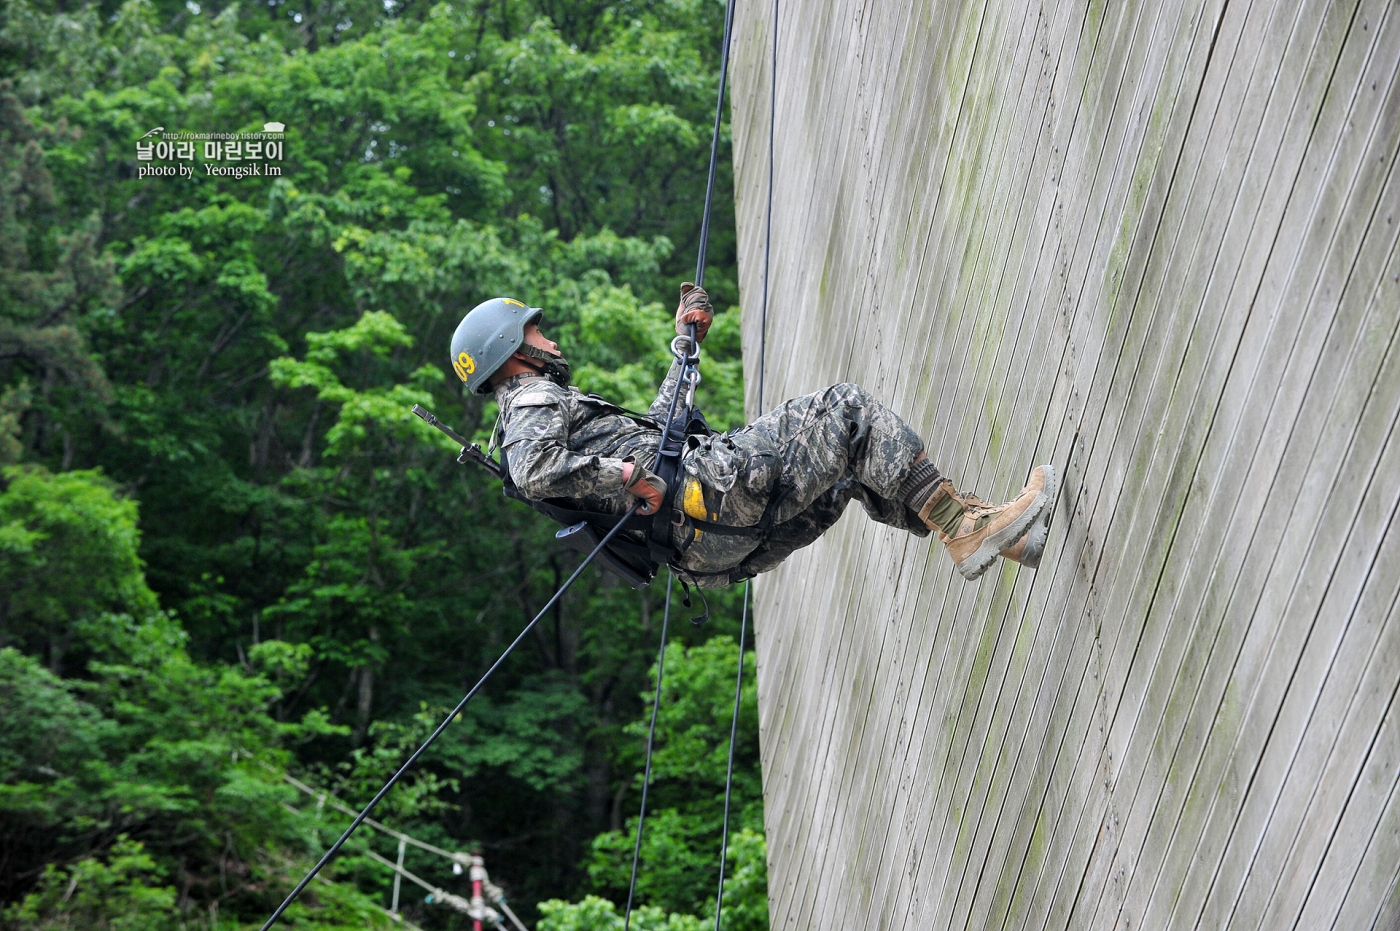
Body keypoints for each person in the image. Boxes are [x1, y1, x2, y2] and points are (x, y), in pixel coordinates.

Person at [448, 287, 1056, 589]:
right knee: (846, 411)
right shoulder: (530, 399)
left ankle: (983, 533)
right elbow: (535, 469)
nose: (550, 342)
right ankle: (964, 527)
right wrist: (629, 479)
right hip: (705, 495)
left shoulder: (540, 408)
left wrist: (686, 345)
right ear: (512, 351)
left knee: (846, 471)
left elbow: (662, 433)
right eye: (536, 334)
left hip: (706, 550)